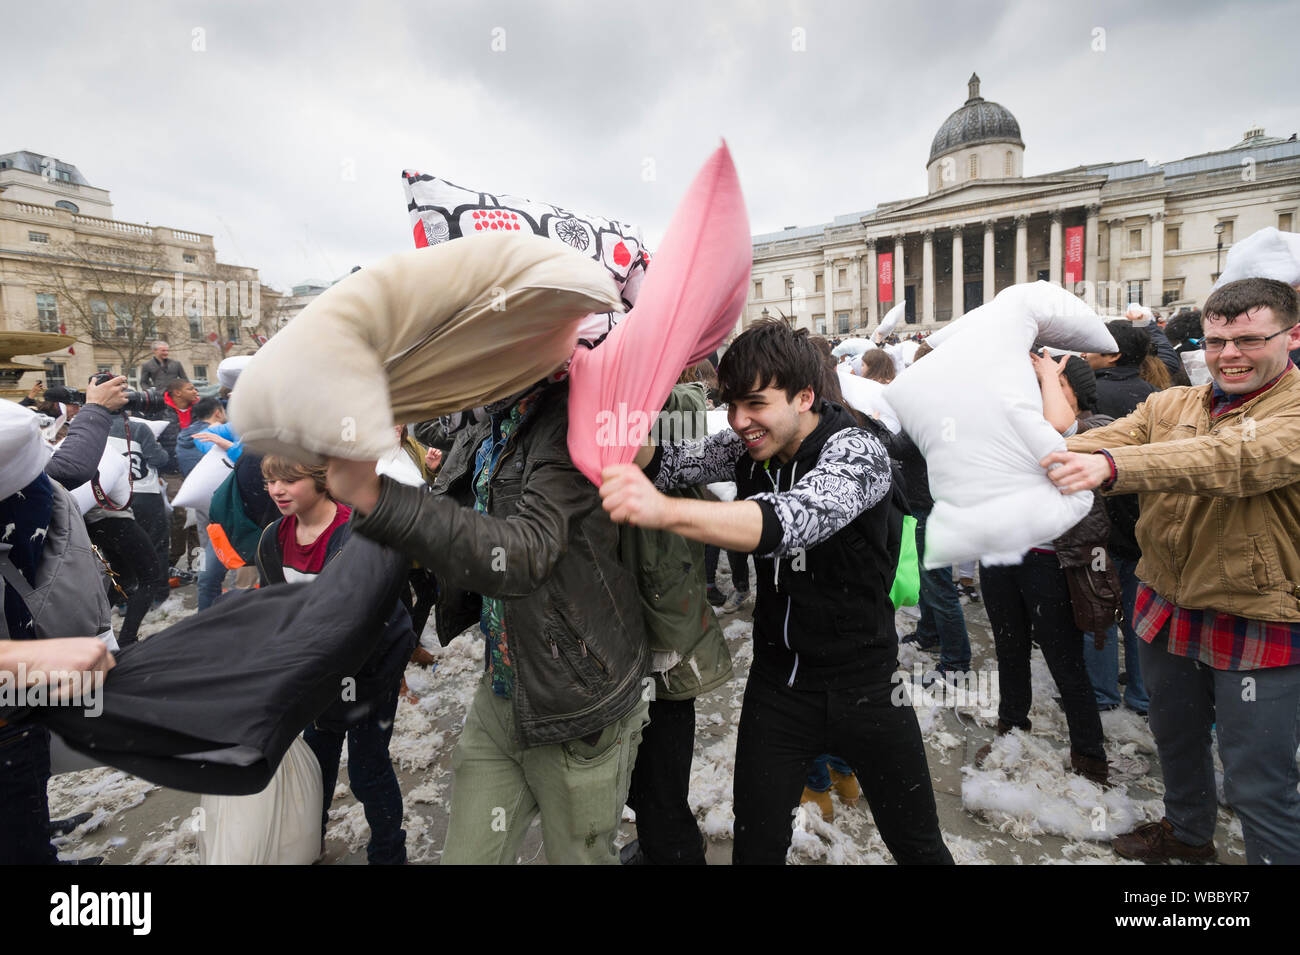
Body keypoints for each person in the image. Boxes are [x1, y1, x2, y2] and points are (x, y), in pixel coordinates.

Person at [599, 320, 952, 865]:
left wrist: (665, 512)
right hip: (779, 689)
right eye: (731, 403)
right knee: (757, 847)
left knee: (920, 847)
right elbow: (670, 462)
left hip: (868, 687)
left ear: (805, 396)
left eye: (756, 404)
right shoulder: (748, 445)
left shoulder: (858, 452)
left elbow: (795, 520)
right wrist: (610, 419)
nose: (739, 421)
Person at [325, 375, 651, 865]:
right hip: (501, 692)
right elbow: (443, 464)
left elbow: (525, 550)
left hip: (576, 702)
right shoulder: (488, 418)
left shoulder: (574, 416)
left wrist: (382, 501)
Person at [1044, 277, 1300, 865]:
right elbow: (1099, 440)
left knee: (1258, 782)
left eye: (1248, 340)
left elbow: (1234, 459)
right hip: (1167, 599)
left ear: (1289, 337)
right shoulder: (1172, 403)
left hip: (1258, 612)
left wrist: (1111, 466)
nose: (1228, 355)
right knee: (1176, 740)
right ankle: (1187, 836)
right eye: (1215, 341)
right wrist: (1030, 454)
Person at [254, 455, 415, 864]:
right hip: (313, 684)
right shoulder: (272, 537)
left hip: (367, 679)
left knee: (368, 770)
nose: (277, 490)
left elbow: (389, 615)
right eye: (270, 481)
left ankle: (388, 854)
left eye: (288, 479)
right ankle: (309, 847)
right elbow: (276, 608)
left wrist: (386, 671)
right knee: (314, 771)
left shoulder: (360, 533)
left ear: (321, 480)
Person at [974, 351, 1111, 786]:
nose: (1041, 393)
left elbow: (1061, 432)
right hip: (1002, 554)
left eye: (1054, 386)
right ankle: (1011, 729)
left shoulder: (1096, 429)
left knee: (1064, 660)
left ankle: (1089, 757)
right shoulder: (1019, 425)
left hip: (1051, 562)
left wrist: (1050, 375)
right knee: (1009, 650)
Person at [621, 376, 733, 865]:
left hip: (664, 619)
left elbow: (683, 428)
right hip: (622, 616)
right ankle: (659, 838)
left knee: (661, 768)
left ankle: (674, 847)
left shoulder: (677, 400)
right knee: (637, 774)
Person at [150, 379, 202, 579]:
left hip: (197, 471)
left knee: (199, 518)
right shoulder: (159, 412)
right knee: (180, 516)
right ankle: (172, 559)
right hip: (171, 473)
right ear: (177, 393)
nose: (195, 391)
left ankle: (198, 566)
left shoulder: (199, 410)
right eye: (190, 388)